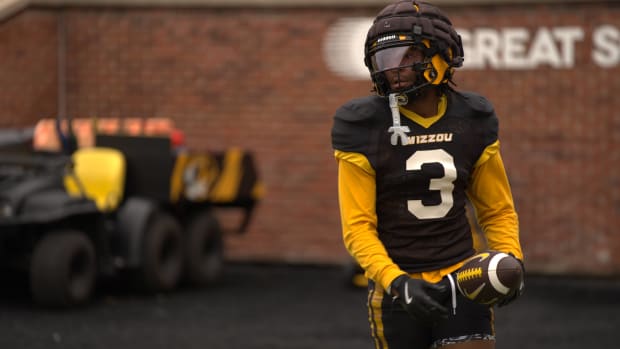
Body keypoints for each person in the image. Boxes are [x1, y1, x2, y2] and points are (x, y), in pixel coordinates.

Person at [331, 1, 524, 348]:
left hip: (462, 275)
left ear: (441, 56)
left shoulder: (473, 118)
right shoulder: (362, 125)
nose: (395, 69)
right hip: (397, 284)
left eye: (406, 55)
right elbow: (358, 227)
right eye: (385, 58)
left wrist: (510, 258)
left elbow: (496, 209)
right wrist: (396, 281)